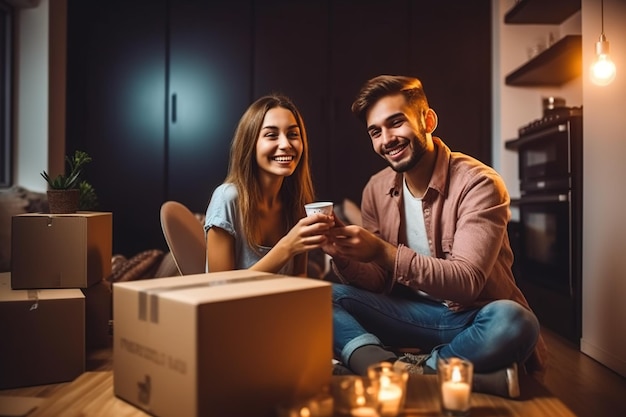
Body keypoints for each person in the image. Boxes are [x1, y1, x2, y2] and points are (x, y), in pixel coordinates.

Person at [323, 75, 547, 398]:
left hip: (471, 317)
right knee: (323, 297)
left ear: (428, 120)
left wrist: (382, 251)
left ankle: (408, 370)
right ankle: (417, 369)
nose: (387, 139)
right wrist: (343, 253)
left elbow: (466, 281)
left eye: (396, 123)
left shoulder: (479, 183)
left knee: (516, 321)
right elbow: (374, 283)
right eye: (376, 132)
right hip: (408, 314)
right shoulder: (375, 188)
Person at [204, 94, 333, 276]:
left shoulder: (296, 202)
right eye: (271, 135)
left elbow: (299, 280)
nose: (285, 144)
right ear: (250, 144)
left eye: (293, 134)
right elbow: (219, 289)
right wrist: (288, 246)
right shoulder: (227, 198)